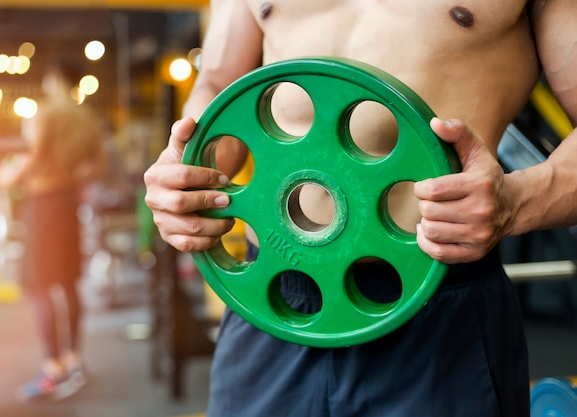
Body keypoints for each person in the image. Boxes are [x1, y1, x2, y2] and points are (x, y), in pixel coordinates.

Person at [143, 1, 577, 416]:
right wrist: (185, 178)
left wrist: (518, 201)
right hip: (273, 297)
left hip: (436, 303)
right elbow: (219, 83)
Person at [0, 57, 106, 402]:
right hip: (67, 202)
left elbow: (35, 156)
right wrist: (69, 176)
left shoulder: (46, 113)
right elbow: (97, 166)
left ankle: (53, 368)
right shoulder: (86, 119)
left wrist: (6, 177)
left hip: (42, 205)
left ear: (54, 79)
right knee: (68, 282)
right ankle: (73, 360)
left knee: (38, 284)